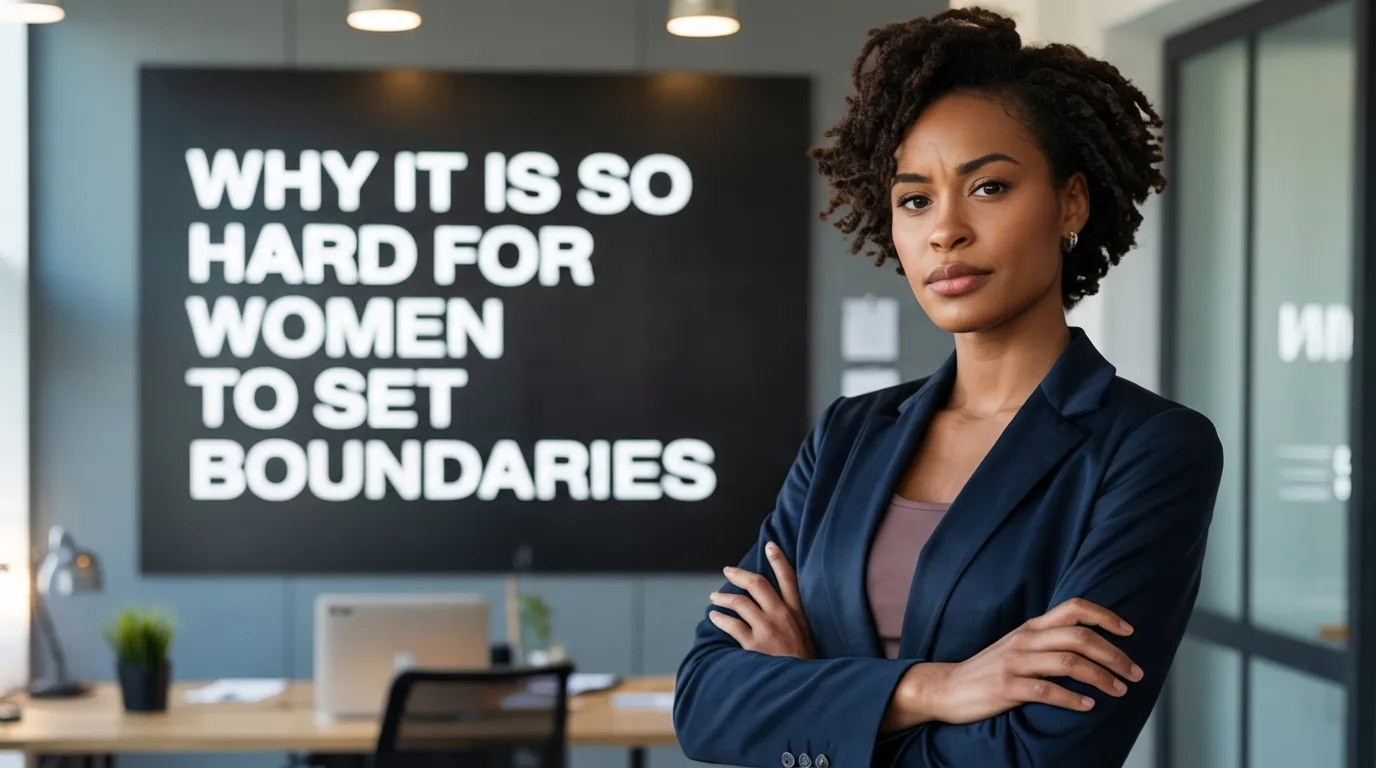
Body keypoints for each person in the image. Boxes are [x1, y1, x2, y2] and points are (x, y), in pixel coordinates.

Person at [672, 7, 1224, 768]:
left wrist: (812, 692)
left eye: (989, 186)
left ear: (1071, 203)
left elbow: (1044, 753)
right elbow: (705, 704)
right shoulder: (848, 434)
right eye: (914, 199)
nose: (945, 231)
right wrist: (937, 689)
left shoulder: (1150, 448)